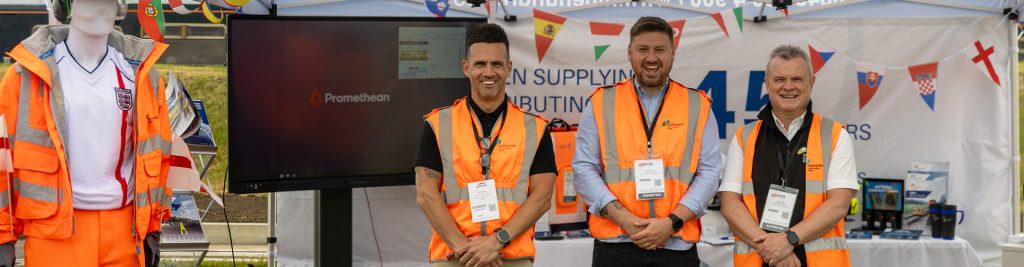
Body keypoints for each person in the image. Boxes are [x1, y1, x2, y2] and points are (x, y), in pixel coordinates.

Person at [0, 0, 173, 266]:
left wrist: (153, 226)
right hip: (55, 234)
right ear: (66, 4)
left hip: (125, 232)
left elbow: (159, 156)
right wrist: (3, 236)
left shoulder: (143, 76)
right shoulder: (25, 77)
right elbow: (2, 163)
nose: (100, 6)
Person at [572, 16, 721, 267]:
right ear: (630, 53)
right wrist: (626, 220)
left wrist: (671, 222)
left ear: (673, 53)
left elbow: (710, 172)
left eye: (660, 49)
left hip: (676, 243)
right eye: (643, 49)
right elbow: (584, 169)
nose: (651, 58)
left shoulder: (698, 105)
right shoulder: (601, 102)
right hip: (616, 244)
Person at [413, 23, 556, 267]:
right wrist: (466, 249)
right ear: (466, 68)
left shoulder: (535, 128)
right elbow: (426, 195)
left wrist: (496, 241)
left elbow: (542, 198)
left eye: (496, 64)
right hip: (454, 255)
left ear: (508, 68)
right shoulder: (438, 124)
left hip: (510, 256)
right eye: (480, 64)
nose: (489, 72)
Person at [718, 44, 858, 267]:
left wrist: (788, 240)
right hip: (759, 259)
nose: (788, 86)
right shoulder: (744, 137)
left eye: (797, 79)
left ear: (811, 82)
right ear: (767, 83)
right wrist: (771, 247)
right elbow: (729, 203)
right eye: (780, 79)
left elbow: (839, 203)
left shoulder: (834, 135)